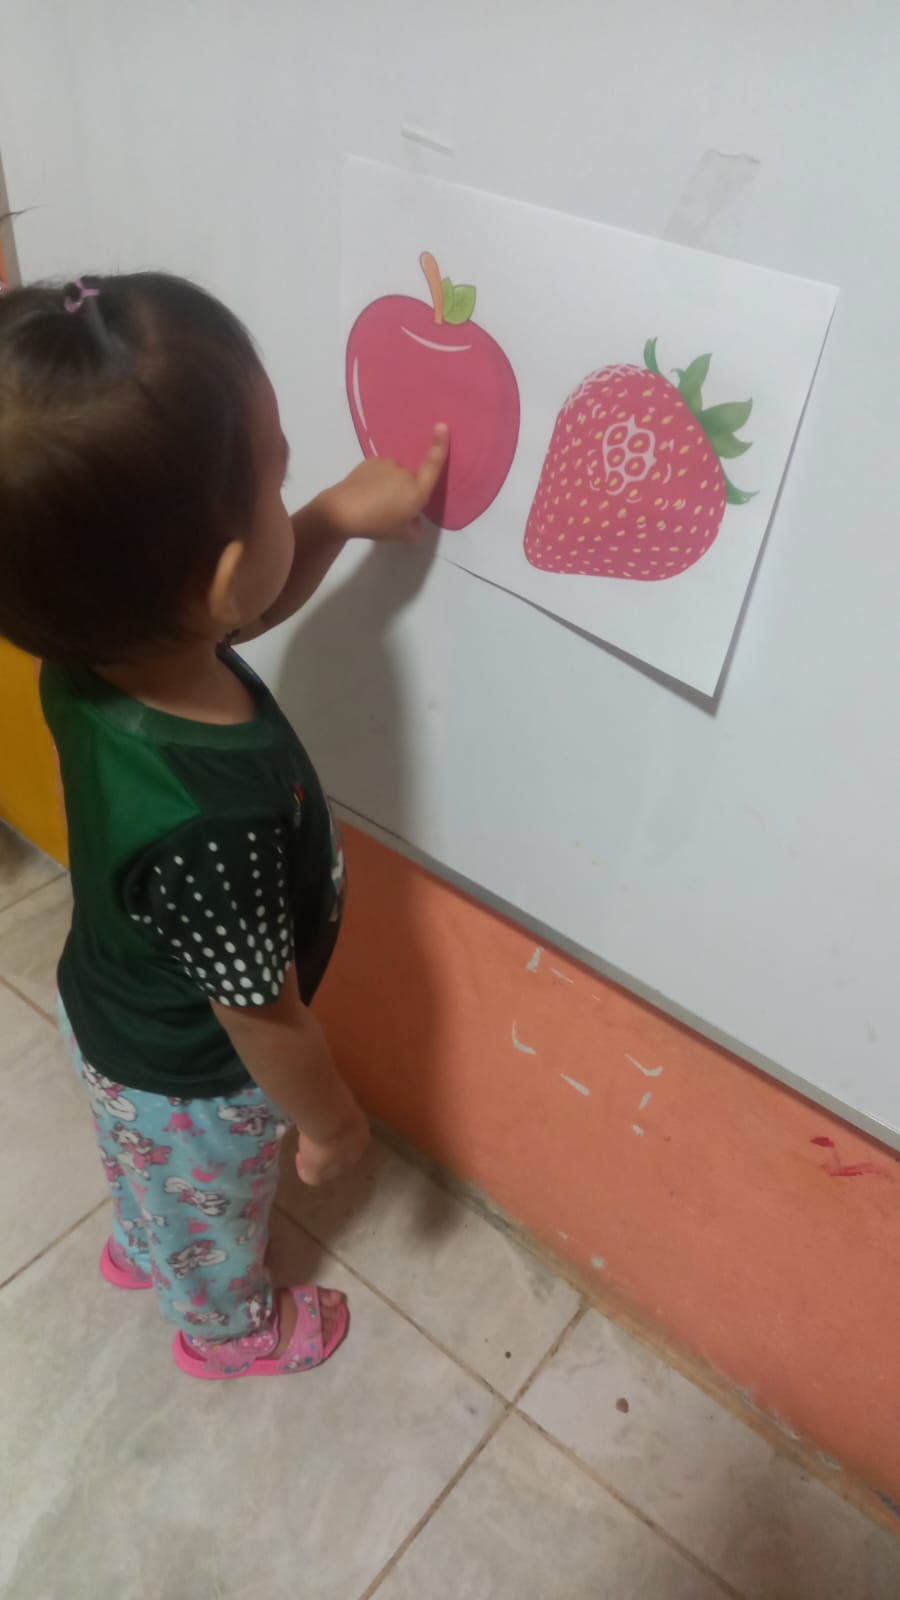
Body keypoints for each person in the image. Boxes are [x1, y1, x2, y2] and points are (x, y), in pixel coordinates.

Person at [0, 272, 448, 1378]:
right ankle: (223, 1329)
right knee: (212, 1206)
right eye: (278, 475)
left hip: (109, 1012)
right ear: (224, 578)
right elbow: (265, 1017)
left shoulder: (90, 653)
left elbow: (225, 610)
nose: (291, 485)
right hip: (192, 1079)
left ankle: (145, 1238)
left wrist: (328, 516)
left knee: (145, 1167)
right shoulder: (215, 823)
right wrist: (332, 1123)